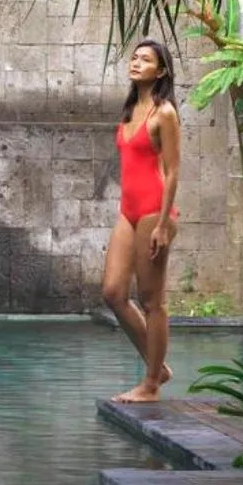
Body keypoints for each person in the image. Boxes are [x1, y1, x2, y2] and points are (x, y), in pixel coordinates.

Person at [105, 39, 182, 403]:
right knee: (113, 293)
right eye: (134, 57)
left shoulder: (163, 113)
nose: (136, 63)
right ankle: (158, 367)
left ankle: (151, 383)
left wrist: (165, 224)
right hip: (128, 210)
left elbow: (172, 170)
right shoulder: (130, 109)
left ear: (161, 71)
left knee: (152, 300)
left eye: (146, 59)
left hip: (154, 212)